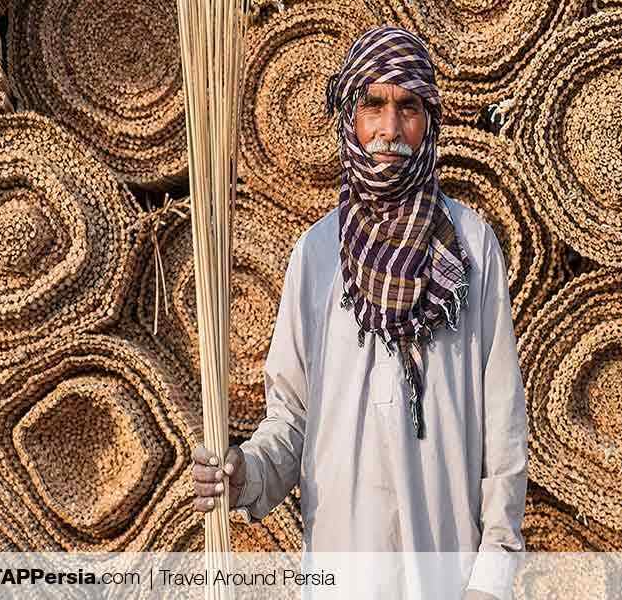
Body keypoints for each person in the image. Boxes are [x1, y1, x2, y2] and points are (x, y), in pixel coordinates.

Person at [192, 25, 528, 600]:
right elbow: (291, 421)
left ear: (431, 122)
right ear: (350, 118)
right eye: (373, 104)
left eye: (408, 106)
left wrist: (492, 578)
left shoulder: (469, 248)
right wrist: (244, 471)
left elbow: (503, 431)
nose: (389, 129)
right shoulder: (317, 256)